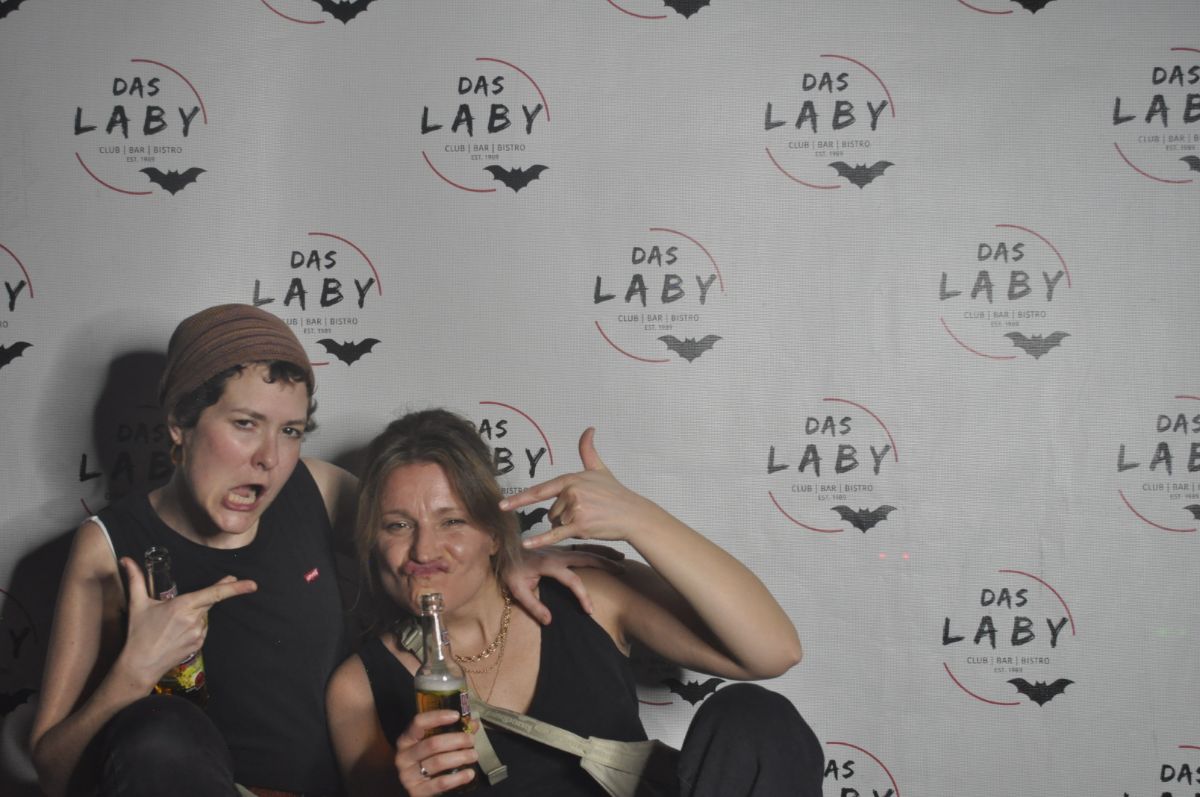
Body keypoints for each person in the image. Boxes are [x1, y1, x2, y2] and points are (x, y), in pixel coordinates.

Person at [28, 304, 612, 797]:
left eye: (290, 431)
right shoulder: (108, 546)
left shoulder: (315, 489)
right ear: (180, 422)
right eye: (245, 424)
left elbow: (426, 543)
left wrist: (512, 558)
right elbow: (52, 770)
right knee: (160, 732)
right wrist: (133, 672)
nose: (269, 458)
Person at [326, 408, 824, 797]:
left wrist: (637, 519)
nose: (424, 550)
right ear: (373, 541)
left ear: (494, 534)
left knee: (755, 718)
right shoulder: (359, 687)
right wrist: (404, 791)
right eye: (397, 525)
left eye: (451, 521)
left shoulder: (585, 596)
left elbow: (773, 650)